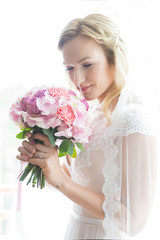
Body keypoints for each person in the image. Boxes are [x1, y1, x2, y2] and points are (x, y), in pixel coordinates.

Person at [16, 14, 158, 239]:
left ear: (114, 58)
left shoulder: (134, 122)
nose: (78, 79)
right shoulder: (92, 115)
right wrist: (44, 162)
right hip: (77, 230)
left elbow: (135, 223)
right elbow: (80, 184)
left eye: (87, 64)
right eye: (69, 67)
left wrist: (61, 181)